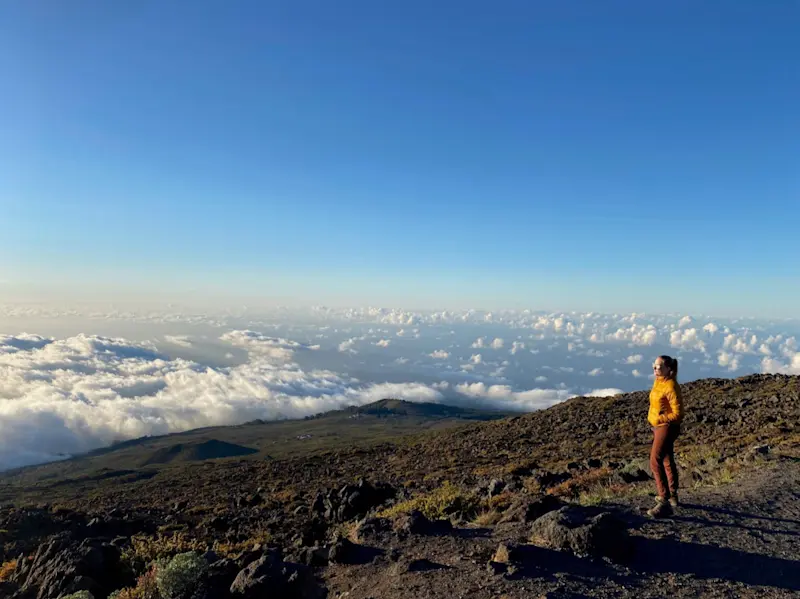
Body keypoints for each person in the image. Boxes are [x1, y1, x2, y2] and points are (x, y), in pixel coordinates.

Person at [646, 355, 683, 517]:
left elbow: (678, 413)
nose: (655, 369)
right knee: (667, 459)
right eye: (654, 366)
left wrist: (661, 419)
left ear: (669, 369)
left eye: (659, 367)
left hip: (665, 427)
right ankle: (673, 495)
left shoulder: (671, 386)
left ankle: (664, 499)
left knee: (655, 461)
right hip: (658, 426)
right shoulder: (659, 381)